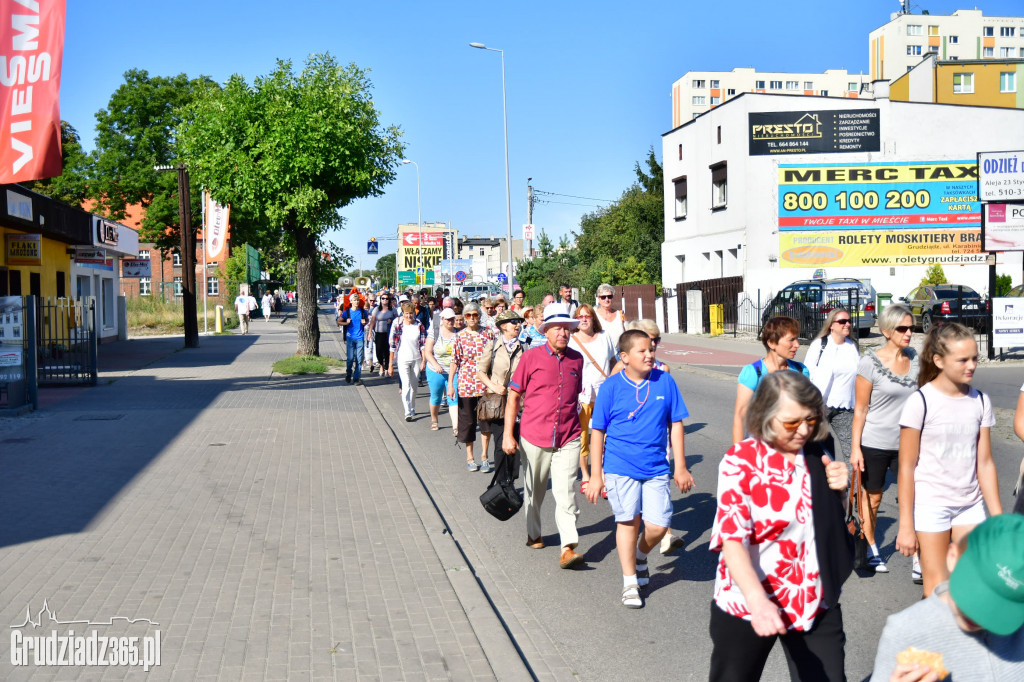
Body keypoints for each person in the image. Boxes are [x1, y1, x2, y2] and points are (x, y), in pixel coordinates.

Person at [709, 371, 852, 681]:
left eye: (810, 420)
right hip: (749, 601)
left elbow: (828, 523)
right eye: (791, 423)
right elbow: (731, 540)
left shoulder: (816, 453)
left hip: (812, 598)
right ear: (764, 416)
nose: (803, 430)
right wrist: (758, 601)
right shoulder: (740, 462)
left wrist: (840, 492)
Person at [585, 330, 693, 608]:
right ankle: (629, 580)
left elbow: (676, 424)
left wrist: (680, 466)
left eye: (651, 350)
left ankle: (641, 555)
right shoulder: (610, 387)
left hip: (656, 466)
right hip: (620, 466)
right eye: (642, 351)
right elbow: (597, 431)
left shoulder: (665, 381)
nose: (649, 355)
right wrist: (596, 475)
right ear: (624, 357)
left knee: (657, 526)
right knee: (628, 521)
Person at [896, 322, 1002, 597]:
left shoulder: (980, 401)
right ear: (939, 360)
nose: (972, 366)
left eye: (975, 358)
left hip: (970, 504)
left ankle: (962, 639)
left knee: (969, 585)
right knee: (937, 588)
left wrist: (998, 518)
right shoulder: (921, 401)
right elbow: (906, 467)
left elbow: (985, 463)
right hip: (932, 505)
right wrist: (906, 525)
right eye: (963, 360)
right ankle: (932, 639)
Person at [871, 514, 1024, 682]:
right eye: (977, 592)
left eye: (1001, 605)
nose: (979, 616)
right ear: (952, 557)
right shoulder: (906, 629)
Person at [503, 303, 586, 569]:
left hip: (569, 435)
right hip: (534, 435)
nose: (563, 332)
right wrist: (508, 435)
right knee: (535, 491)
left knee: (566, 493)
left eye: (567, 328)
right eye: (558, 328)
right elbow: (514, 396)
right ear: (546, 330)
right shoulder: (531, 358)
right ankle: (534, 531)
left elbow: (576, 396)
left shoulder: (577, 359)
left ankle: (568, 547)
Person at [850, 303, 919, 575]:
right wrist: (855, 448)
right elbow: (861, 409)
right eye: (902, 328)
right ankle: (871, 547)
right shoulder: (870, 362)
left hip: (909, 445)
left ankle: (920, 555)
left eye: (911, 327)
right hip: (875, 442)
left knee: (914, 499)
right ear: (886, 331)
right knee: (873, 499)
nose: (909, 333)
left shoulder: (916, 358)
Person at [732, 316, 809, 445]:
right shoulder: (753, 372)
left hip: (793, 446)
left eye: (797, 339)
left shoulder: (801, 371)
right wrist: (737, 455)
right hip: (761, 446)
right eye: (791, 340)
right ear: (772, 343)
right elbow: (740, 417)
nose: (797, 345)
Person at [568, 303, 615, 498]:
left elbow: (614, 361)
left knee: (605, 438)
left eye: (587, 316)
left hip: (604, 394)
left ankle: (602, 475)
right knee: (583, 438)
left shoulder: (604, 337)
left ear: (593, 318)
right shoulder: (571, 340)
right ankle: (586, 475)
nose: (584, 319)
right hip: (582, 397)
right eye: (580, 317)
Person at [477, 310, 528, 478]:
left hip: (519, 403)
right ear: (503, 326)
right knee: (500, 443)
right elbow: (481, 372)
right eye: (514, 322)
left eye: (519, 322)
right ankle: (500, 482)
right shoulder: (492, 346)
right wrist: (494, 385)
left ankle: (511, 480)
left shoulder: (525, 346)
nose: (518, 325)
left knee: (515, 442)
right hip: (497, 403)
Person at [804, 307, 860, 460]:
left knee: (851, 448)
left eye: (849, 321)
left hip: (846, 407)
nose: (847, 324)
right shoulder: (820, 345)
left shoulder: (853, 346)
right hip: (821, 405)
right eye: (842, 321)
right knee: (812, 444)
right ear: (831, 325)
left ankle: (854, 483)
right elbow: (807, 373)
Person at [449, 303, 495, 472]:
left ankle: (484, 456)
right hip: (466, 384)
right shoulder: (459, 336)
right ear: (464, 317)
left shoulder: (487, 333)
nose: (472, 318)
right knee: (468, 422)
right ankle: (470, 456)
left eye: (474, 314)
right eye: (468, 315)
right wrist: (450, 385)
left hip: (485, 385)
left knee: (485, 421)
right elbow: (454, 361)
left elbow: (494, 357)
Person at [388, 302, 427, 421]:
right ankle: (407, 411)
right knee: (406, 385)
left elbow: (423, 344)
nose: (409, 316)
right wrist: (390, 364)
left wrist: (424, 360)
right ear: (403, 314)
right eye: (406, 313)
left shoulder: (419, 325)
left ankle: (412, 406)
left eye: (411, 313)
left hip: (416, 359)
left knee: (414, 386)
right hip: (403, 359)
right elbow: (392, 346)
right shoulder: (398, 325)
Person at [424, 308, 458, 431]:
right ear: (442, 320)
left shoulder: (458, 333)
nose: (451, 321)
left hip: (453, 371)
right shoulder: (435, 332)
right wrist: (435, 364)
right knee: (436, 397)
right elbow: (427, 352)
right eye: (448, 319)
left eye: (452, 319)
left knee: (453, 397)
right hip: (435, 370)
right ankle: (434, 419)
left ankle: (456, 427)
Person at [338, 294, 369, 385]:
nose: (356, 302)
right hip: (350, 337)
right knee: (350, 358)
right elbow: (339, 322)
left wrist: (364, 322)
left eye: (357, 300)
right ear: (351, 301)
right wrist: (346, 322)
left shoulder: (363, 312)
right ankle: (348, 373)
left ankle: (356, 378)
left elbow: (366, 320)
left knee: (359, 359)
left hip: (360, 337)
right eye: (354, 300)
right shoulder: (347, 312)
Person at [368, 293, 399, 377]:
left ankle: (386, 367)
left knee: (387, 351)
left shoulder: (392, 309)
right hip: (379, 333)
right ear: (380, 300)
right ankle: (381, 365)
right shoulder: (376, 309)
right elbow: (372, 321)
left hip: (388, 333)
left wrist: (391, 320)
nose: (385, 300)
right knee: (378, 351)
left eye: (386, 299)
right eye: (383, 298)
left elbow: (397, 320)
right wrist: (370, 332)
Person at [593, 283, 626, 351]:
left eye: (609, 296)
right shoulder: (594, 316)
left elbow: (627, 335)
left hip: (619, 355)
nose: (607, 299)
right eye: (603, 297)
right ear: (598, 299)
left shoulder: (620, 314)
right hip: (601, 353)